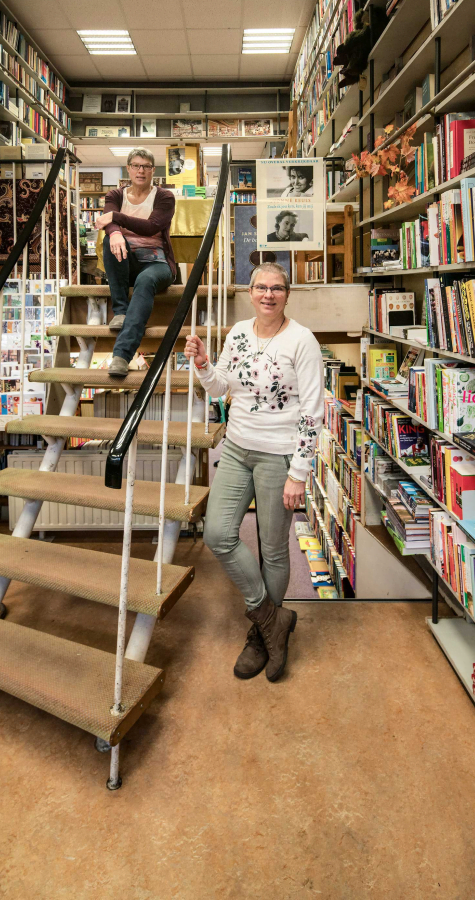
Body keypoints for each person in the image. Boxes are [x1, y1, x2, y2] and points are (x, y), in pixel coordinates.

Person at [184, 263, 323, 682]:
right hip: (237, 448)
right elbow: (220, 387)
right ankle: (270, 620)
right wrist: (204, 365)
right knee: (218, 533)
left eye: (276, 288)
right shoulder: (239, 333)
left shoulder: (302, 340)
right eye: (261, 287)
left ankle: (263, 638)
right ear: (250, 292)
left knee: (273, 549)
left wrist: (298, 473)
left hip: (279, 457)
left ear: (287, 294)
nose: (268, 294)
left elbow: (312, 412)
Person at [96, 148, 177, 377]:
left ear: (153, 170)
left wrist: (115, 218)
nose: (141, 170)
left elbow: (151, 227)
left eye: (146, 166)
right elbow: (108, 224)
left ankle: (121, 355)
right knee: (111, 240)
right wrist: (114, 231)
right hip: (126, 261)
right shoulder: (115, 195)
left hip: (156, 263)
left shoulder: (164, 197)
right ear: (128, 169)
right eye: (136, 165)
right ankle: (120, 310)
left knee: (146, 280)